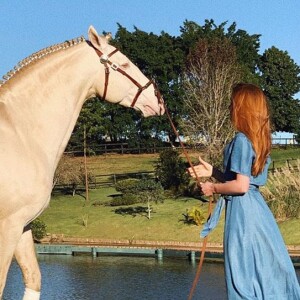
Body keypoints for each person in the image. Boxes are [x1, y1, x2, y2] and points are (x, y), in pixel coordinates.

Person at [188, 83, 300, 299]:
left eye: (233, 103)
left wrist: (213, 187)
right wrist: (213, 171)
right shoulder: (258, 139)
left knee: (241, 272)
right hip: (257, 212)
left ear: (241, 108)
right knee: (261, 270)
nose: (230, 107)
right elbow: (244, 181)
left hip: (243, 215)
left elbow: (240, 186)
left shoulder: (241, 139)